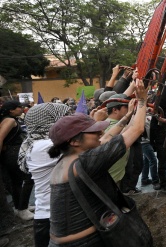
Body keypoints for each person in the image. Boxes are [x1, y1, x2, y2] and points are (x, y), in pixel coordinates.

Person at [47, 79, 148, 246]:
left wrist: (129, 115)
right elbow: (137, 130)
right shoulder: (87, 162)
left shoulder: (69, 159)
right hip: (84, 242)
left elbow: (107, 137)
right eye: (93, 131)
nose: (100, 132)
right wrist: (143, 100)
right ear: (74, 141)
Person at [18, 103, 70, 247]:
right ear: (51, 120)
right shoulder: (47, 145)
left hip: (48, 214)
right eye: (64, 117)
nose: (68, 120)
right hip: (53, 217)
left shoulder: (34, 142)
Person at [0, 100, 34, 221]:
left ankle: (21, 206)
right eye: (19, 107)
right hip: (12, 154)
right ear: (11, 110)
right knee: (26, 179)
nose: (22, 109)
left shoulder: (10, 119)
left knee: (17, 182)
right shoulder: (9, 121)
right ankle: (22, 209)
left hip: (13, 152)